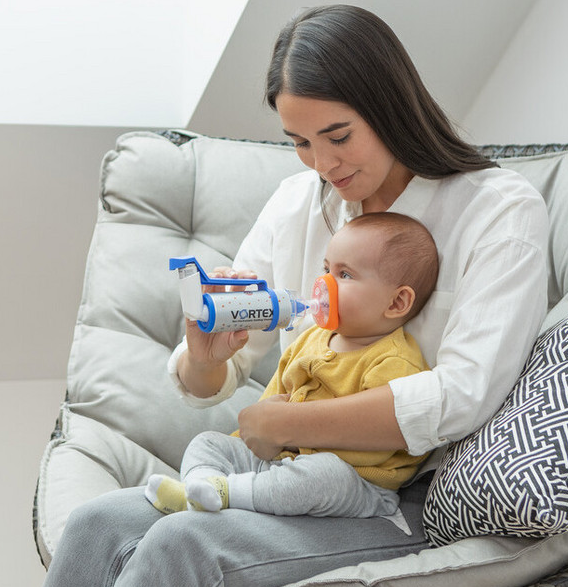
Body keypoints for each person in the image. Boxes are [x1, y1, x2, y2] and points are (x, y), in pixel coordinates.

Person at [15, 4, 550, 587]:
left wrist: (288, 425)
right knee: (95, 527)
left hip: (393, 502)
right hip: (284, 480)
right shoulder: (302, 204)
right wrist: (208, 355)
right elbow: (212, 380)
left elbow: (462, 397)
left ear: (390, 106)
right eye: (299, 141)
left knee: (183, 548)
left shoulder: (496, 210)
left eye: (338, 136)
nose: (325, 165)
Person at [144, 211, 438, 523]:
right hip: (280, 464)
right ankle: (198, 489)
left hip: (352, 484)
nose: (322, 283)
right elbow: (272, 405)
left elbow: (375, 446)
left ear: (396, 303)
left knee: (324, 473)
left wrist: (292, 435)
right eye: (325, 269)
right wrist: (261, 438)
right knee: (208, 443)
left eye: (345, 275)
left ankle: (228, 493)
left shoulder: (394, 361)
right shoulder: (312, 337)